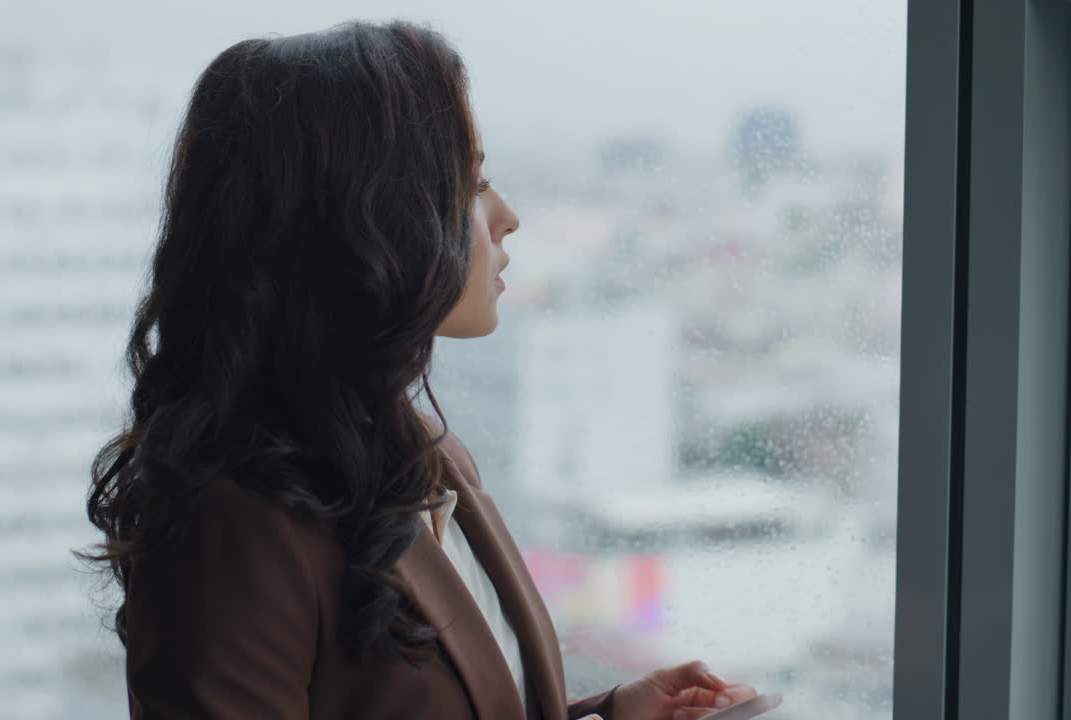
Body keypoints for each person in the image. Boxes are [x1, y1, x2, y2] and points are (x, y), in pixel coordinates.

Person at [77, 19, 761, 720]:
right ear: (359, 217)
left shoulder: (425, 452)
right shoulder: (236, 520)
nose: (507, 217)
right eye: (472, 183)